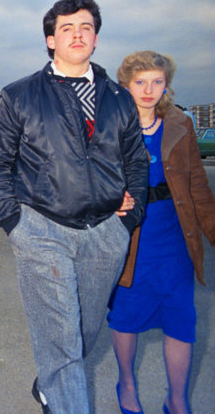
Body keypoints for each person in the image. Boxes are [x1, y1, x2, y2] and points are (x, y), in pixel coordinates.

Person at [0, 0, 149, 414]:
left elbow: (136, 163)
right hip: (41, 229)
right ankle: (63, 391)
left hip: (106, 233)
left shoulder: (118, 98)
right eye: (67, 28)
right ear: (51, 40)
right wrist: (13, 220)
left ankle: (53, 383)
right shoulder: (19, 95)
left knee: (83, 332)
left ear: (96, 39)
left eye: (86, 27)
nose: (77, 34)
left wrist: (130, 219)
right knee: (61, 339)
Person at [107, 51, 215, 414]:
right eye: (140, 82)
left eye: (156, 81)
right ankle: (127, 383)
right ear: (126, 85)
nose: (149, 90)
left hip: (174, 240)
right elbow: (89, 183)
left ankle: (178, 399)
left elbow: (198, 187)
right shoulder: (109, 127)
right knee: (126, 318)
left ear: (166, 84)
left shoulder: (180, 124)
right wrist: (109, 200)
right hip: (131, 242)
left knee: (181, 320)